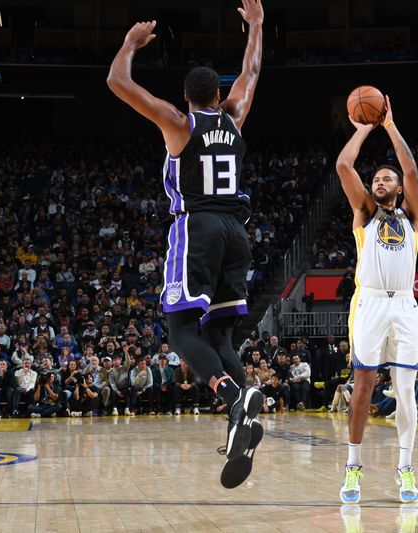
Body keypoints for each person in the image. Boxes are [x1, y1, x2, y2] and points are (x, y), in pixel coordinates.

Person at [106, 0, 265, 489]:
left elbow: (117, 82)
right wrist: (256, 26)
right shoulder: (235, 117)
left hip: (198, 227)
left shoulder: (179, 122)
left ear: (186, 96)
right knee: (220, 337)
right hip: (239, 232)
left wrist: (130, 46)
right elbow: (252, 70)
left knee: (179, 331)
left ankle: (229, 394)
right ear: (219, 94)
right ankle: (242, 410)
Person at [336, 95, 418, 504]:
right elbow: (343, 166)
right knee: (364, 386)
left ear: (399, 188)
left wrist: (389, 124)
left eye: (387, 179)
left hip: (404, 304)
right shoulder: (365, 214)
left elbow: (410, 168)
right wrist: (363, 129)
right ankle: (353, 466)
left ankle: (405, 469)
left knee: (405, 392)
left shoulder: (412, 216)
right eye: (378, 179)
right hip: (370, 303)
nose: (380, 182)